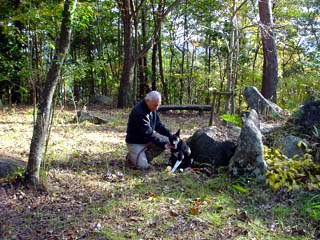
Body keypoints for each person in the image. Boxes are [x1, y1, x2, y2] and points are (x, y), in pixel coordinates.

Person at [125, 91, 175, 170]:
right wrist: (163, 143)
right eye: (155, 105)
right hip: (135, 142)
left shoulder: (152, 109)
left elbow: (158, 125)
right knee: (142, 166)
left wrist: (170, 134)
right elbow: (148, 133)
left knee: (167, 140)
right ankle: (132, 157)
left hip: (146, 140)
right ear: (147, 101)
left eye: (158, 105)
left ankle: (142, 156)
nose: (157, 108)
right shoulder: (139, 112)